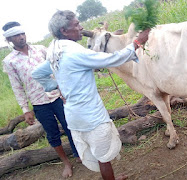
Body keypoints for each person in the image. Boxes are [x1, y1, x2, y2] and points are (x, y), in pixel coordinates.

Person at [32, 10, 150, 180]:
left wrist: (55, 86)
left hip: (73, 116)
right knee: (104, 159)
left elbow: (37, 73)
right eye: (76, 25)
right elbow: (111, 60)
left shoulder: (54, 49)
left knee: (99, 155)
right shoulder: (74, 52)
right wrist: (137, 42)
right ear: (64, 31)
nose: (81, 27)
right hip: (91, 117)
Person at [2, 21, 79, 178]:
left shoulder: (41, 50)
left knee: (70, 125)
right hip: (39, 103)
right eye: (16, 35)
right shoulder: (10, 61)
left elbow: (57, 69)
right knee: (52, 133)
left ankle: (79, 155)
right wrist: (26, 110)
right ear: (9, 40)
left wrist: (65, 90)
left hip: (58, 96)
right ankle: (66, 163)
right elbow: (17, 87)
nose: (21, 37)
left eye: (22, 33)